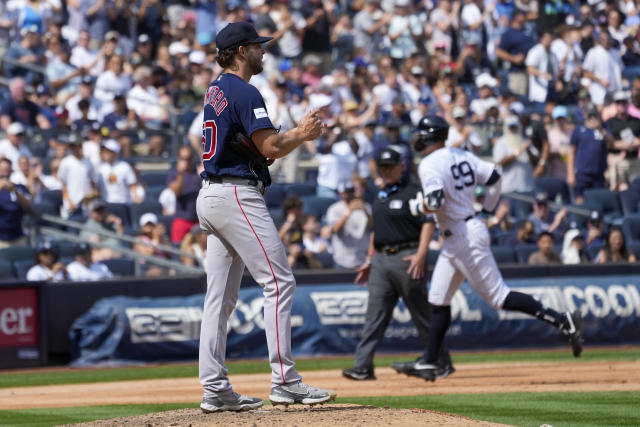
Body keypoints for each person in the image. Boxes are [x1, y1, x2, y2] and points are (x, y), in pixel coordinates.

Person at [195, 22, 335, 413]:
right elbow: (270, 145)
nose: (263, 51)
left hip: (211, 192)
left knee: (218, 299)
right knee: (279, 281)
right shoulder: (244, 89)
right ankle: (286, 380)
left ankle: (215, 387)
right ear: (240, 51)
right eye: (256, 46)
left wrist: (272, 147)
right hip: (236, 193)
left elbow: (259, 150)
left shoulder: (216, 90)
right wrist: (302, 134)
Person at [398, 115, 583, 381]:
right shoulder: (461, 154)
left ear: (429, 136)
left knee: (498, 298)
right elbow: (495, 177)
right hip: (461, 232)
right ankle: (429, 360)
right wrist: (485, 211)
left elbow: (436, 202)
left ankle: (564, 321)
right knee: (438, 300)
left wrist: (418, 207)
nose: (417, 138)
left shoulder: (428, 163)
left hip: (462, 235)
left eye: (420, 134)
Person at [342, 148, 453, 382]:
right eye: (384, 167)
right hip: (381, 259)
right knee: (374, 316)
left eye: (391, 166)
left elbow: (428, 222)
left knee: (422, 313)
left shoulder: (414, 192)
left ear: (402, 166)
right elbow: (376, 230)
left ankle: (441, 361)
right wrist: (370, 258)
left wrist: (422, 253)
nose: (387, 171)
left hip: (408, 256)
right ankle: (363, 366)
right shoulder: (380, 194)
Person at [326, 181, 373, 269]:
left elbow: (373, 227)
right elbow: (334, 230)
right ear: (340, 193)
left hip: (362, 258)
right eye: (344, 193)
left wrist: (365, 212)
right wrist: (349, 212)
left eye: (350, 192)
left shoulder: (366, 206)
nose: (347, 195)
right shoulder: (334, 209)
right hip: (342, 259)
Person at [167, 146, 201, 244]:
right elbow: (176, 192)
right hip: (181, 220)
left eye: (188, 158)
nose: (186, 161)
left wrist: (203, 177)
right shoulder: (174, 175)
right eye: (183, 158)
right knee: (179, 251)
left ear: (192, 159)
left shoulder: (197, 174)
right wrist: (181, 174)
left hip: (198, 220)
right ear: (178, 159)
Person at [0, 158, 32, 248]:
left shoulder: (19, 187)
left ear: (11, 171)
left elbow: (28, 206)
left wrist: (15, 191)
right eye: (2, 170)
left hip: (18, 236)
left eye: (7, 170)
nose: (4, 174)